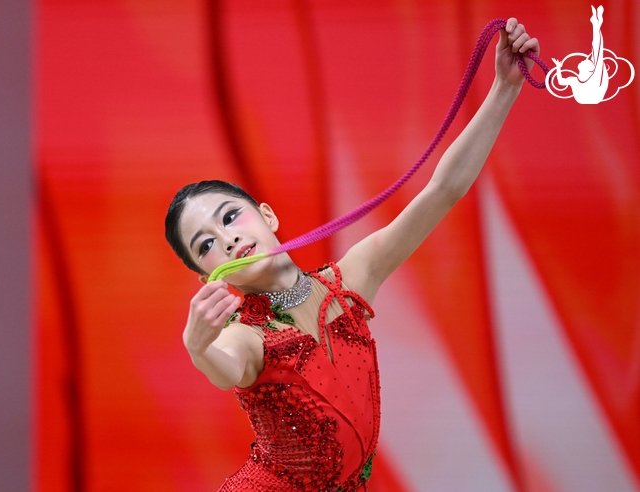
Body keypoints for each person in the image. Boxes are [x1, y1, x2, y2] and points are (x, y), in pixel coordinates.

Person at [165, 18, 540, 492]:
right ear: (207, 277)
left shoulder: (350, 280)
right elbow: (226, 367)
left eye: (230, 216)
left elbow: (443, 190)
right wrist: (199, 347)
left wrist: (504, 89)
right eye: (206, 244)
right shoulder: (247, 337)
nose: (227, 238)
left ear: (267, 215)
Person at [551, 5, 607, 104]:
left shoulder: (594, 77)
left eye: (586, 61)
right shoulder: (575, 80)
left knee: (597, 51)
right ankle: (596, 24)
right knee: (597, 52)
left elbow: (597, 48)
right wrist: (558, 67)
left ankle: (596, 24)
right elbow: (561, 82)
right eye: (587, 60)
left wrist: (596, 26)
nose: (585, 59)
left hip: (593, 97)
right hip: (587, 97)